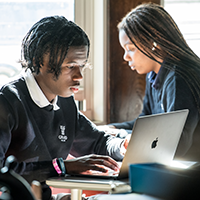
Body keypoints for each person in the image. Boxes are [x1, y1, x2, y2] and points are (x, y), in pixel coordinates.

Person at [0, 16, 127, 200]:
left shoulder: (65, 101)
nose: (80, 76)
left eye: (82, 66)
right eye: (71, 66)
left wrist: (122, 146)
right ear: (39, 60)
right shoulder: (7, 101)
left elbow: (97, 142)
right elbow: (2, 172)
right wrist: (62, 167)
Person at [99, 2, 200, 162]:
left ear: (152, 43)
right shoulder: (154, 75)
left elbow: (176, 144)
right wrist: (112, 129)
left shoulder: (178, 78)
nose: (126, 57)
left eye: (130, 48)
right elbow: (146, 122)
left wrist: (122, 135)